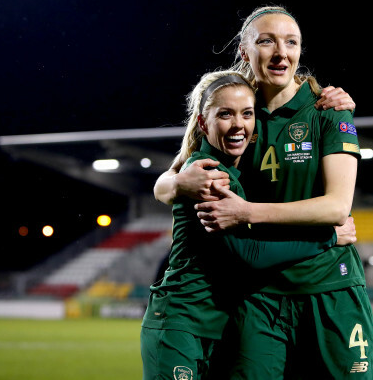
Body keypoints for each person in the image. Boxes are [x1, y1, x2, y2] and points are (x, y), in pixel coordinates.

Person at [154, 6, 373, 379]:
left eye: (290, 42)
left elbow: (337, 207)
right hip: (256, 297)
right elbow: (168, 180)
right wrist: (180, 183)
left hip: (328, 287)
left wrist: (247, 212)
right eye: (267, 41)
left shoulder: (329, 111)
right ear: (245, 52)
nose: (281, 53)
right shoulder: (237, 112)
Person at [140, 70, 356, 380]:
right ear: (203, 123)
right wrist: (328, 238)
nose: (239, 124)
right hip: (182, 321)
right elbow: (250, 256)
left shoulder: (234, 169)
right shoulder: (210, 176)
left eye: (247, 114)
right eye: (225, 114)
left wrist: (338, 107)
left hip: (216, 325)